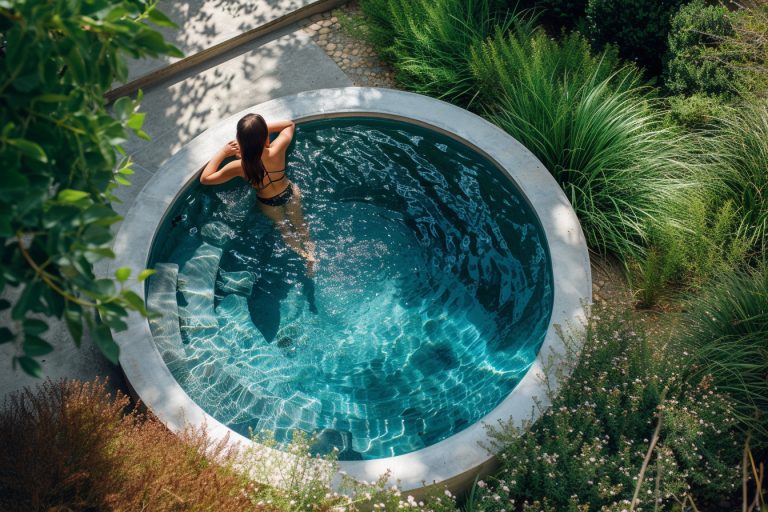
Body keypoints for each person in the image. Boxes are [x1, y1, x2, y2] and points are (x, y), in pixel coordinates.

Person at [200, 113, 316, 274]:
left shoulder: (240, 166)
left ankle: (303, 256)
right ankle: (311, 253)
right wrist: (258, 133)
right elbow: (289, 125)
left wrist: (224, 152)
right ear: (265, 136)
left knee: (284, 230)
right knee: (300, 223)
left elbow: (205, 179)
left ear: (242, 141)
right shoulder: (277, 148)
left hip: (269, 203)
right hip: (290, 192)